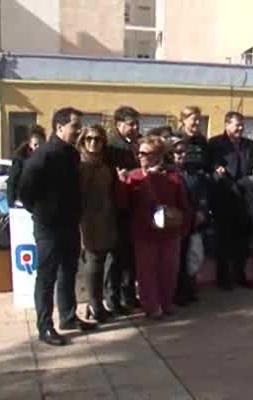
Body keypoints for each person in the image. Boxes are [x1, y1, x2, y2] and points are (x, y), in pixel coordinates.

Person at [19, 107, 96, 346]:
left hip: (69, 223)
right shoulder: (44, 154)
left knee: (69, 272)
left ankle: (68, 317)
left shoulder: (72, 154)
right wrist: (41, 212)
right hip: (48, 226)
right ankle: (45, 327)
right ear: (59, 127)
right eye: (75, 126)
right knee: (47, 276)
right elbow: (25, 189)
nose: (79, 130)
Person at [117, 136, 191, 320]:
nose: (140, 156)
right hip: (144, 232)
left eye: (145, 153)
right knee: (146, 271)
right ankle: (151, 307)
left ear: (158, 155)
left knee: (168, 269)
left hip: (170, 231)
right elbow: (123, 204)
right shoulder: (133, 176)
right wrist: (120, 183)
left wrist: (184, 228)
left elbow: (183, 204)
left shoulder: (173, 177)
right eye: (139, 153)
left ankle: (166, 303)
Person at [209, 112, 253, 290]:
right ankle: (224, 278)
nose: (240, 128)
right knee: (224, 240)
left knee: (243, 239)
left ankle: (240, 274)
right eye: (237, 125)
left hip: (245, 197)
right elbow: (211, 166)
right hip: (225, 196)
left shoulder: (249, 145)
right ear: (226, 124)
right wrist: (217, 170)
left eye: (242, 125)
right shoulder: (215, 143)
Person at [76, 125, 118, 323]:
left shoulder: (104, 164)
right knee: (93, 260)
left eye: (98, 139)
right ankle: (93, 305)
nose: (93, 143)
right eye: (89, 139)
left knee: (101, 260)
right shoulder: (81, 164)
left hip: (106, 216)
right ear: (83, 141)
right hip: (87, 219)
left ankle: (97, 303)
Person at [104, 106, 141, 315]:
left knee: (130, 255)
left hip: (132, 205)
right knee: (116, 257)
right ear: (119, 125)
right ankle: (112, 297)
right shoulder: (111, 146)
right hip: (116, 207)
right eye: (130, 124)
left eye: (136, 124)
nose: (135, 128)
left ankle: (128, 295)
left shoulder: (136, 144)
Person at [171, 137, 209, 304]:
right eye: (177, 152)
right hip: (174, 221)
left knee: (191, 256)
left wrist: (201, 210)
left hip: (192, 221)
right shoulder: (168, 172)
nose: (182, 156)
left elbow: (202, 194)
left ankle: (189, 289)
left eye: (185, 152)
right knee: (176, 259)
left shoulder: (194, 172)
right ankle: (175, 292)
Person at [7, 125, 46, 207]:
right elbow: (12, 182)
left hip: (40, 203)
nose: (38, 147)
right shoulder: (20, 158)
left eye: (41, 144)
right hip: (23, 202)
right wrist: (11, 205)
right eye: (35, 145)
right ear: (30, 145)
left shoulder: (47, 157)